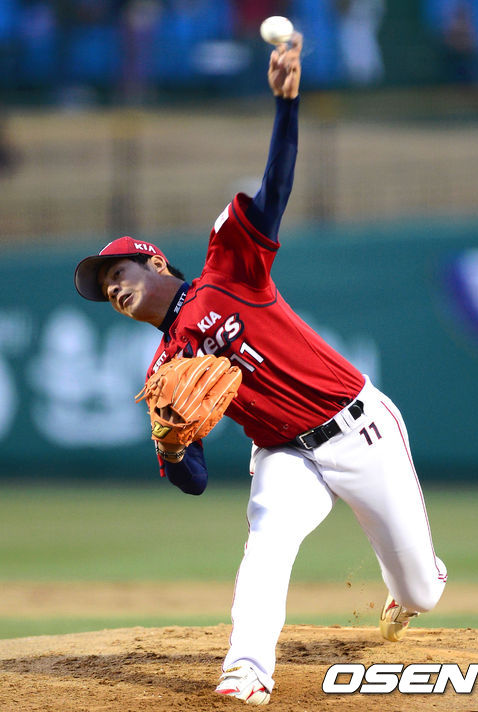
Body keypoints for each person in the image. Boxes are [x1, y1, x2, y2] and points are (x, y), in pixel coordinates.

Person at [74, 34, 447, 706]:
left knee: (421, 588)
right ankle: (246, 671)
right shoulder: (164, 369)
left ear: (155, 262)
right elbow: (192, 481)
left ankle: (413, 589)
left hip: (358, 427)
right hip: (284, 453)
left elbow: (275, 188)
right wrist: (172, 446)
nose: (114, 289)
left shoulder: (227, 270)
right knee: (267, 540)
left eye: (118, 273)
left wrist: (287, 104)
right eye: (105, 290)